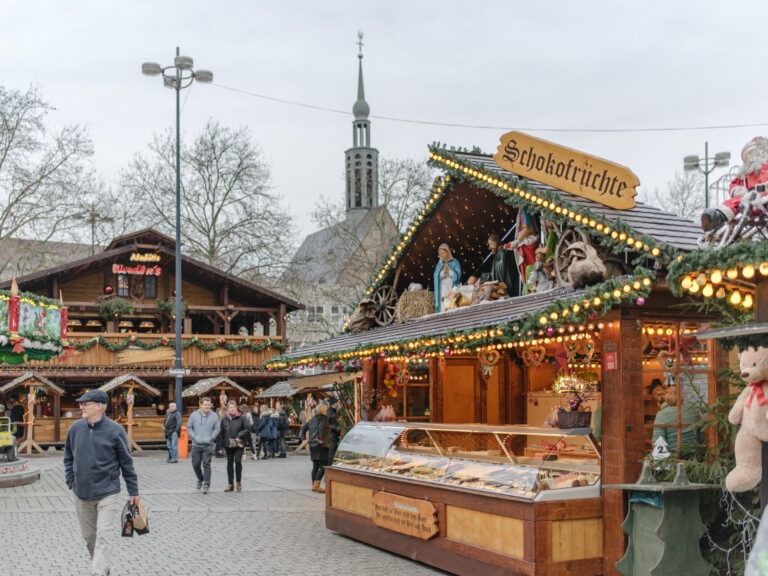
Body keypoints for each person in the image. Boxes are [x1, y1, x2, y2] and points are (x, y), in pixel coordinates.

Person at [64, 389, 139, 576]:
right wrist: (71, 481)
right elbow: (68, 457)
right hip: (82, 494)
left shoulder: (115, 431)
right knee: (90, 538)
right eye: (81, 404)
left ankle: (97, 572)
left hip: (108, 493)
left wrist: (133, 492)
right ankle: (102, 568)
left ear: (99, 406)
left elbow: (126, 463)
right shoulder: (75, 429)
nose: (81, 407)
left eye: (85, 404)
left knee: (104, 536)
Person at [702, 137, 768, 231]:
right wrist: (738, 191)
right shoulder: (745, 173)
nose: (749, 158)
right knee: (737, 201)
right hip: (749, 199)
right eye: (747, 156)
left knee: (750, 199)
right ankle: (716, 217)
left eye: (751, 153)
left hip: (764, 194)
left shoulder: (766, 166)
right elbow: (734, 185)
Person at [187, 396, 220, 494]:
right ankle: (200, 479)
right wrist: (194, 437)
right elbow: (189, 427)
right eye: (205, 404)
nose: (207, 406)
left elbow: (217, 429)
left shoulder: (214, 416)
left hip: (208, 445)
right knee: (195, 464)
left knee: (207, 464)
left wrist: (211, 438)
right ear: (201, 405)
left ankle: (206, 484)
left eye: (209, 405)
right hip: (196, 444)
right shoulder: (194, 415)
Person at [652, 387, 700, 453]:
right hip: (695, 456)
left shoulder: (662, 415)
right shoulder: (693, 411)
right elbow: (701, 437)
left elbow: (658, 443)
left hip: (673, 458)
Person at [300, 403, 331, 493]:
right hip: (321, 446)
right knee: (324, 465)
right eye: (326, 410)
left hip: (312, 445)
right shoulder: (324, 418)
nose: (326, 412)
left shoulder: (312, 419)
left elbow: (303, 428)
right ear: (324, 410)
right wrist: (321, 439)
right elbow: (321, 427)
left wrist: (303, 439)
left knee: (315, 466)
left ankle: (313, 484)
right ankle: (316, 485)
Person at [220, 400, 249, 492]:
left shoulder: (242, 417)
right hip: (228, 444)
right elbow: (221, 433)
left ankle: (238, 482)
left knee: (237, 461)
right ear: (227, 409)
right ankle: (230, 484)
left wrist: (239, 435)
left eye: (234, 407)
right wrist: (220, 446)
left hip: (239, 443)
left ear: (236, 408)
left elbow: (247, 429)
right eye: (230, 407)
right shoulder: (225, 419)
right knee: (229, 463)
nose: (232, 409)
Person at [481, 233, 521, 297]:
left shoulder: (501, 250)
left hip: (507, 284)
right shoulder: (499, 253)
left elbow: (500, 269)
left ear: (496, 242)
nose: (489, 247)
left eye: (490, 244)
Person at [433, 243, 461, 312]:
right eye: (440, 254)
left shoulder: (454, 262)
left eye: (443, 253)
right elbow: (436, 276)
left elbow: (458, 273)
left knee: (450, 300)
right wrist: (443, 273)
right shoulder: (439, 264)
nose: (442, 255)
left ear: (448, 252)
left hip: (451, 284)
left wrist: (449, 272)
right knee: (442, 301)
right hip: (442, 287)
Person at [327, 398, 342, 464]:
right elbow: (326, 424)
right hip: (332, 434)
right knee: (332, 451)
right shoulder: (329, 412)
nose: (338, 404)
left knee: (333, 450)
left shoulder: (334, 411)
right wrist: (336, 427)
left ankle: (330, 464)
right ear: (334, 403)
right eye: (337, 403)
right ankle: (329, 466)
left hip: (335, 434)